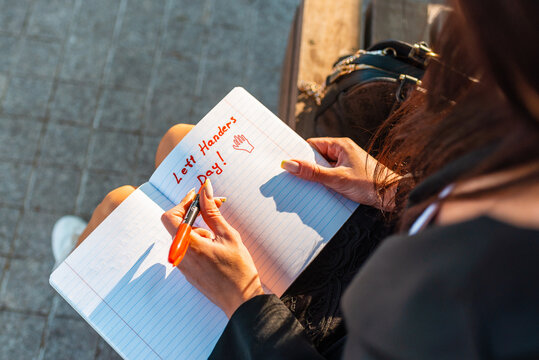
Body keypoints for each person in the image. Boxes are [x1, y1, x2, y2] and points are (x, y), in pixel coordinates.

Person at [53, 0, 539, 358]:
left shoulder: (486, 313)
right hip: (383, 250)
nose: (444, 18)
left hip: (300, 341)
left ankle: (95, 260)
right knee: (181, 142)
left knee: (118, 212)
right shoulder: (515, 165)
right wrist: (388, 188)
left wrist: (243, 295)